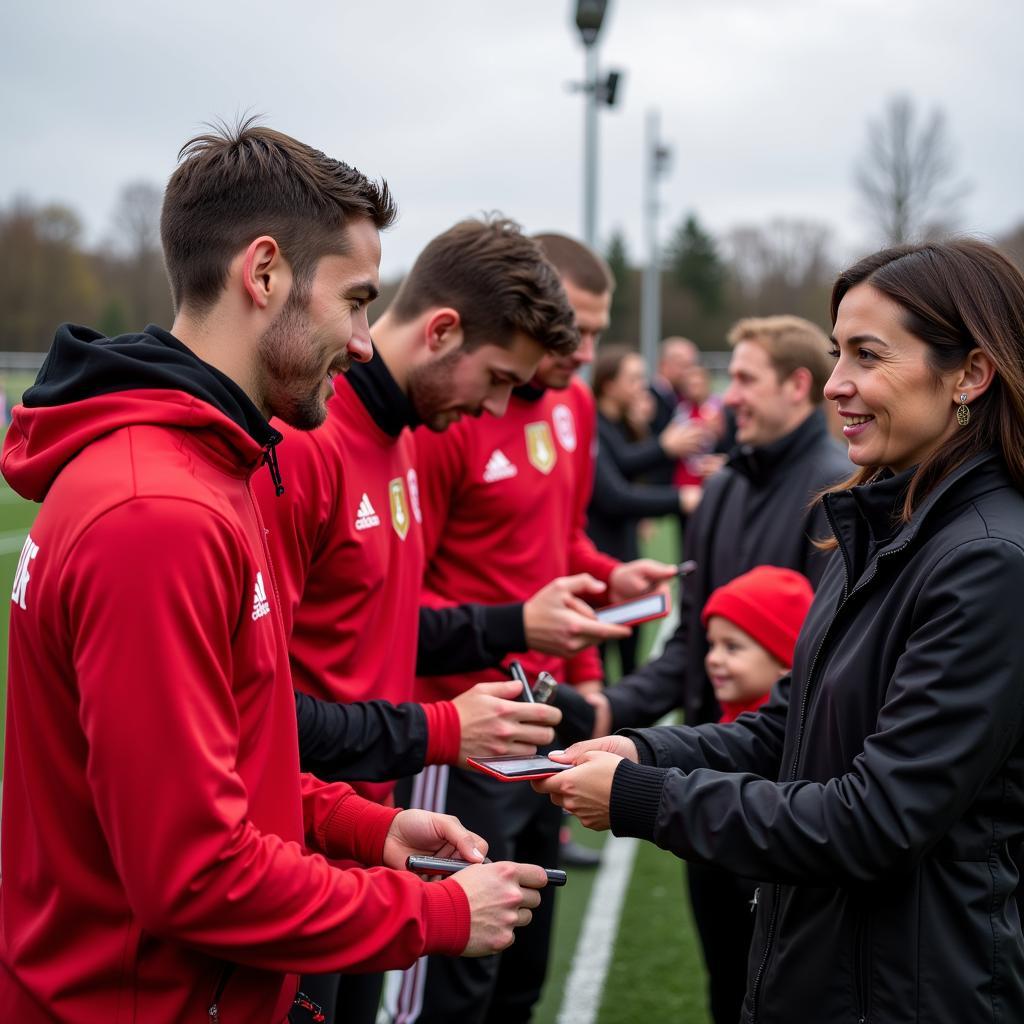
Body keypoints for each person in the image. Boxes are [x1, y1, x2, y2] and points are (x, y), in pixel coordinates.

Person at [0, 121, 548, 1023]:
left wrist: (370, 828)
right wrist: (436, 912)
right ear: (264, 275)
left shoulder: (215, 467)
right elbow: (193, 876)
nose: (368, 342)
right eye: (357, 300)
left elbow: (231, 756)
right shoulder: (158, 512)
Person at [538, 238, 1024, 1022]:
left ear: (969, 373)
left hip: (909, 990)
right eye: (837, 354)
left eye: (868, 355)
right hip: (826, 965)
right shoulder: (877, 520)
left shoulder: (990, 560)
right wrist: (643, 747)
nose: (837, 385)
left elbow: (876, 821)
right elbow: (790, 727)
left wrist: (642, 797)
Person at [255, 216, 624, 1022]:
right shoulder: (309, 442)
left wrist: (510, 630)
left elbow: (386, 627)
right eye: (496, 378)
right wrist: (440, 730)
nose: (499, 404)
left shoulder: (401, 439)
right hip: (289, 852)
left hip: (373, 829)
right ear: (443, 330)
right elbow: (253, 717)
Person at [386, 235, 676, 1024]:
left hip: (544, 718)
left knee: (525, 954)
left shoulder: (572, 405)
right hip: (462, 727)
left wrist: (606, 582)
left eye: (593, 333)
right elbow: (396, 603)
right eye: (570, 332)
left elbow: (560, 538)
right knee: (453, 974)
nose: (582, 353)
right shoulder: (448, 416)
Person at [578, 314, 849, 1024]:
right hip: (707, 778)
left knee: (784, 989)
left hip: (786, 799)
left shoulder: (839, 496)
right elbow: (690, 645)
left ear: (798, 386)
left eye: (748, 380)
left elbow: (825, 673)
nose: (730, 397)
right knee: (723, 981)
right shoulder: (723, 489)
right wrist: (613, 712)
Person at [586, 346, 697, 674]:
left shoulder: (621, 424)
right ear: (608, 384)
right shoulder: (592, 423)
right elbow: (614, 496)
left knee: (631, 655)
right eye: (634, 379)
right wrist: (680, 498)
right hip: (600, 560)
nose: (642, 387)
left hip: (624, 554)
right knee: (601, 663)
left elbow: (627, 464)